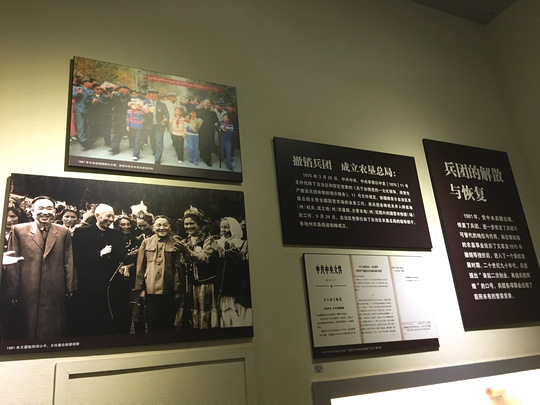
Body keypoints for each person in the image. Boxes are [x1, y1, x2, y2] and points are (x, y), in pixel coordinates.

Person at [2, 196, 77, 340]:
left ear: (54, 212)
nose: (45, 212)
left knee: (53, 328)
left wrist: (70, 286)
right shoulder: (18, 230)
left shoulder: (63, 232)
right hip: (28, 286)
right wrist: (13, 290)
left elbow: (68, 260)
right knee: (26, 326)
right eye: (40, 208)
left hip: (55, 287)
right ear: (32, 211)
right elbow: (13, 263)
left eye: (49, 209)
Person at [71, 203, 126, 336]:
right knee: (88, 318)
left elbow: (121, 255)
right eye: (108, 216)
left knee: (107, 318)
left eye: (113, 216)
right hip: (88, 283)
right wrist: (99, 254)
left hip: (108, 283)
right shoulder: (82, 233)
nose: (111, 219)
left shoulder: (117, 235)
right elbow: (77, 257)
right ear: (97, 216)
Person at [174, 206, 219, 330]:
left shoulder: (208, 239)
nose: (188, 227)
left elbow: (204, 258)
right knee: (193, 312)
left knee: (205, 311)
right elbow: (183, 263)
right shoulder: (186, 241)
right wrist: (183, 254)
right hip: (191, 284)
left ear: (199, 225)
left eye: (191, 224)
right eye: (186, 224)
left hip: (206, 283)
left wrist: (188, 251)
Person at [134, 215, 180, 332]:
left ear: (170, 227)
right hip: (150, 289)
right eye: (158, 225)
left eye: (165, 225)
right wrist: (141, 289)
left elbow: (178, 269)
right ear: (153, 227)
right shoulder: (146, 242)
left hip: (168, 289)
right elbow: (140, 267)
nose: (162, 228)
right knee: (152, 322)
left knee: (168, 322)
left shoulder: (176, 243)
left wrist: (177, 290)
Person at [215, 217, 252, 327]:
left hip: (235, 280)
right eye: (221, 227)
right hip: (222, 280)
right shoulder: (217, 243)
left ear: (233, 228)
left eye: (226, 227)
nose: (223, 230)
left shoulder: (241, 243)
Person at [143, 89, 170, 165]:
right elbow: (140, 113)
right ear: (148, 95)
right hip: (149, 126)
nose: (154, 96)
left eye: (155, 94)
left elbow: (167, 114)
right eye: (152, 94)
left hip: (159, 126)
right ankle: (154, 150)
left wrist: (165, 121)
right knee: (152, 140)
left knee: (159, 142)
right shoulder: (144, 103)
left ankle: (157, 159)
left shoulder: (162, 104)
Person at [72, 78, 95, 149]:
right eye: (90, 82)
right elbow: (72, 95)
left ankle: (86, 140)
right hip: (79, 109)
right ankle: (82, 140)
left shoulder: (91, 91)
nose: (91, 84)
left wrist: (94, 100)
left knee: (86, 125)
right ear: (85, 82)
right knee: (80, 125)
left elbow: (93, 98)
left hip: (87, 110)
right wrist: (77, 93)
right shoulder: (77, 88)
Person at [197, 99, 220, 167]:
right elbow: (194, 119)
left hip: (210, 131)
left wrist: (217, 127)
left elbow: (216, 121)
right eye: (207, 103)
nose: (208, 104)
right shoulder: (199, 111)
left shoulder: (213, 113)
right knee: (201, 144)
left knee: (208, 145)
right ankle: (202, 155)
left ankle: (208, 160)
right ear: (203, 104)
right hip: (201, 131)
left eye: (209, 103)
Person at [110, 84, 131, 154]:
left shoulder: (131, 97)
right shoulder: (116, 96)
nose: (125, 90)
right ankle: (115, 147)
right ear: (120, 89)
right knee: (117, 131)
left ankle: (133, 144)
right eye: (123, 88)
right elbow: (112, 103)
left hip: (127, 116)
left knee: (130, 131)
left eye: (126, 89)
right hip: (118, 116)